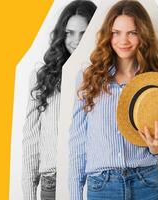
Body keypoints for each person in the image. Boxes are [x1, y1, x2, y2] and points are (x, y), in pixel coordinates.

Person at [69, 1, 158, 200]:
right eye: (116, 32)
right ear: (108, 34)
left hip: (147, 182)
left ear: (143, 35)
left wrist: (157, 149)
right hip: (103, 186)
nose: (123, 40)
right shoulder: (89, 78)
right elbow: (78, 141)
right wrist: (75, 194)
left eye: (132, 32)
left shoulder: (154, 80)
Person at [22, 1, 96, 200]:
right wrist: (29, 195)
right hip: (52, 182)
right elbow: (31, 139)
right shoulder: (42, 76)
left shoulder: (104, 76)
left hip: (93, 181)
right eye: (70, 33)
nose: (76, 40)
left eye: (84, 33)